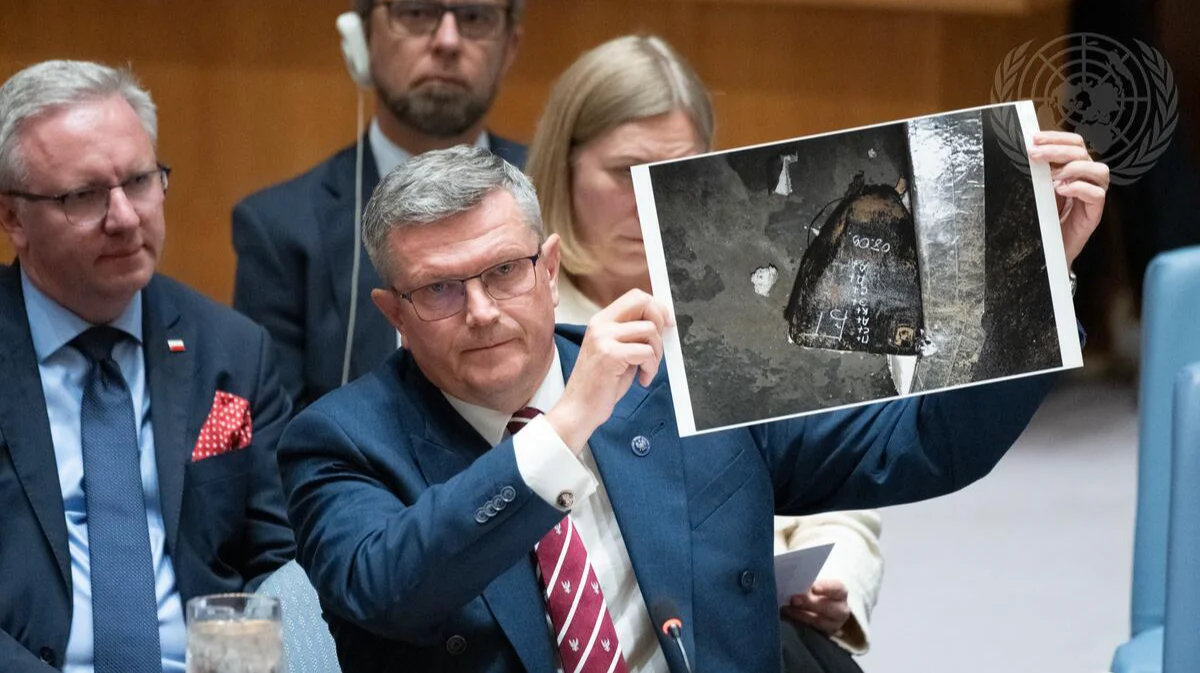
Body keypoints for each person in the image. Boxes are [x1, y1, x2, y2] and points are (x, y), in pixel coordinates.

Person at [278, 138, 1108, 671]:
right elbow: (387, 585)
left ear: (547, 268)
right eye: (439, 290)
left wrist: (1030, 277)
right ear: (392, 312)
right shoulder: (340, 442)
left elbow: (921, 444)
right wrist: (564, 428)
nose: (483, 310)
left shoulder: (685, 376)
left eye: (503, 271)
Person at [526, 35, 881, 668]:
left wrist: (839, 582)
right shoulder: (513, 329)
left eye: (675, 175)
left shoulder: (756, 301)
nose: (649, 198)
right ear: (564, 167)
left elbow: (839, 484)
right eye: (624, 172)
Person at [0, 61, 295, 673]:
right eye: (83, 196)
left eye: (139, 181)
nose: (125, 217)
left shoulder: (234, 351)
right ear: (13, 219)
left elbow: (278, 562)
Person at [232, 0, 526, 409]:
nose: (448, 41)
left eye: (475, 17)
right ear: (363, 37)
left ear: (510, 46)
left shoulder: (562, 194)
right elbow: (279, 433)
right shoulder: (280, 229)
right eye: (417, 13)